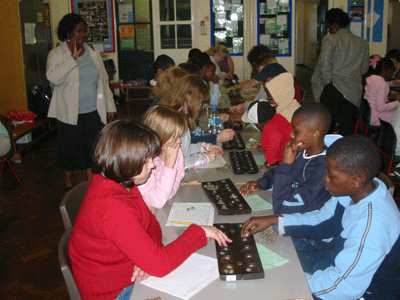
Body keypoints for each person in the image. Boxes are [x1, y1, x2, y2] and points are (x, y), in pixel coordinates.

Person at [69, 120, 232, 300]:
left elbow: (150, 224)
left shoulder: (122, 181)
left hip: (126, 273)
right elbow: (160, 266)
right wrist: (198, 233)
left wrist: (145, 258)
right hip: (114, 292)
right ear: (126, 161)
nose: (152, 165)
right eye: (146, 161)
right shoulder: (112, 207)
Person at [241, 135, 400, 300]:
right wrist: (275, 220)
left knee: (269, 287)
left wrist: (294, 282)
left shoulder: (373, 224)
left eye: (331, 175)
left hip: (362, 293)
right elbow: (322, 220)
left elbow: (343, 288)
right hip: (338, 266)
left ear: (356, 181)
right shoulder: (355, 190)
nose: (325, 178)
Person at [46, 13, 116, 192]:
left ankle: (90, 183)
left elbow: (103, 82)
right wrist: (72, 59)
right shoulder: (56, 54)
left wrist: (109, 105)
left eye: (84, 31)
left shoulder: (93, 53)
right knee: (69, 149)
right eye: (79, 31)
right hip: (68, 113)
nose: (83, 35)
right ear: (68, 33)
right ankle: (68, 180)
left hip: (92, 111)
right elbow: (53, 79)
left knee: (91, 150)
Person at [240, 103, 340, 215]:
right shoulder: (301, 152)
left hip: (300, 221)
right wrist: (262, 183)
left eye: (296, 131)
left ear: (315, 134)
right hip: (283, 206)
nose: (291, 135)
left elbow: (282, 207)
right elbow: (276, 173)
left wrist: (286, 165)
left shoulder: (325, 169)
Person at [311, 8, 370, 136]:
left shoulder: (331, 39)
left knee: (327, 124)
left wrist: (327, 82)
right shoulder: (363, 43)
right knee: (347, 124)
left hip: (334, 87)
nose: (329, 30)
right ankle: (345, 153)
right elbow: (365, 69)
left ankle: (326, 152)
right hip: (353, 90)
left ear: (335, 25)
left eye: (329, 27)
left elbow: (324, 60)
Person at [160, 74, 224, 169]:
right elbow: (175, 163)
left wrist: (204, 147)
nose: (200, 106)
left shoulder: (183, 117)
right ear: (188, 98)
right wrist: (204, 158)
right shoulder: (173, 123)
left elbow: (184, 149)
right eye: (199, 101)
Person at [138, 105, 186, 211]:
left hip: (162, 208)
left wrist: (165, 194)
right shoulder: (143, 162)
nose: (179, 141)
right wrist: (169, 164)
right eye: (175, 136)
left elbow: (179, 177)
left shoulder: (175, 150)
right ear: (159, 136)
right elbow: (158, 201)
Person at [241, 99, 292, 169]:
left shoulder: (269, 128)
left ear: (259, 124)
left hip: (284, 162)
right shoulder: (278, 117)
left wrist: (273, 166)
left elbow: (272, 152)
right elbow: (280, 139)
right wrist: (265, 144)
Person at [364, 55, 399, 125]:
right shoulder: (382, 84)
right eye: (392, 70)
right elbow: (380, 107)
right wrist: (398, 102)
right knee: (398, 114)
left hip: (368, 115)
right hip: (377, 117)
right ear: (387, 71)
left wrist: (387, 98)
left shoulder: (371, 80)